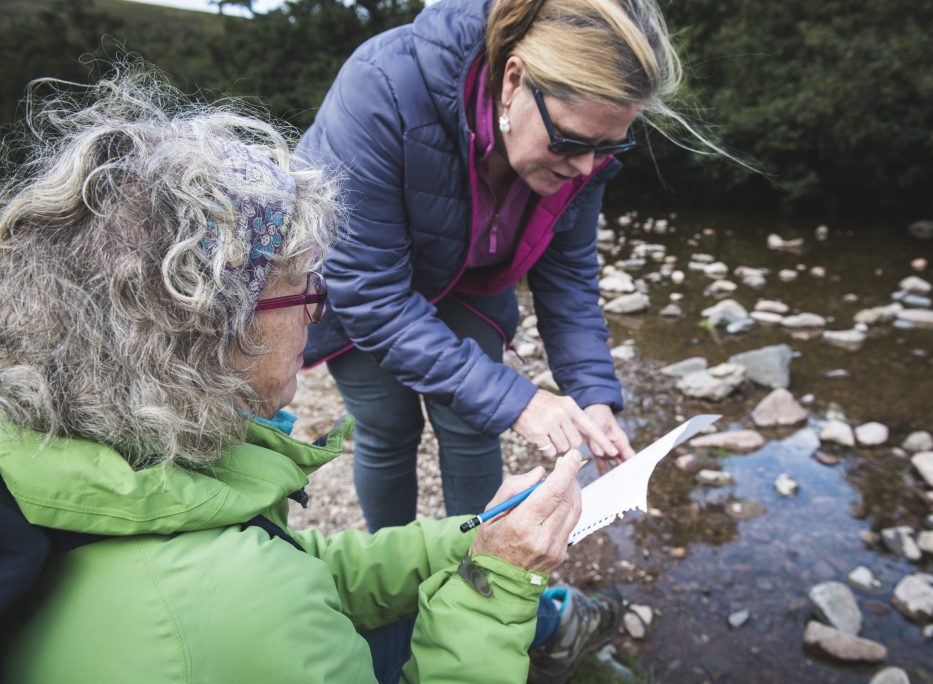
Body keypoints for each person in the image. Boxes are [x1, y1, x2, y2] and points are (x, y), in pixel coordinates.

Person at [0, 67, 621, 684]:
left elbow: (306, 563)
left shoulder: (109, 458)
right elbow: (272, 587)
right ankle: (556, 630)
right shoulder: (244, 602)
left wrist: (479, 540)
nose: (319, 311)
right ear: (217, 328)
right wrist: (501, 579)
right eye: (304, 290)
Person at [298, 0, 713, 532]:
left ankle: (478, 578)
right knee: (386, 426)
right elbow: (370, 293)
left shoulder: (583, 154)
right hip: (360, 282)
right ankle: (390, 578)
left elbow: (568, 278)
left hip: (470, 281)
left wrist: (593, 394)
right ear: (513, 81)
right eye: (571, 141)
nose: (586, 167)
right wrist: (520, 400)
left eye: (608, 147)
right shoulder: (381, 86)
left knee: (475, 424)